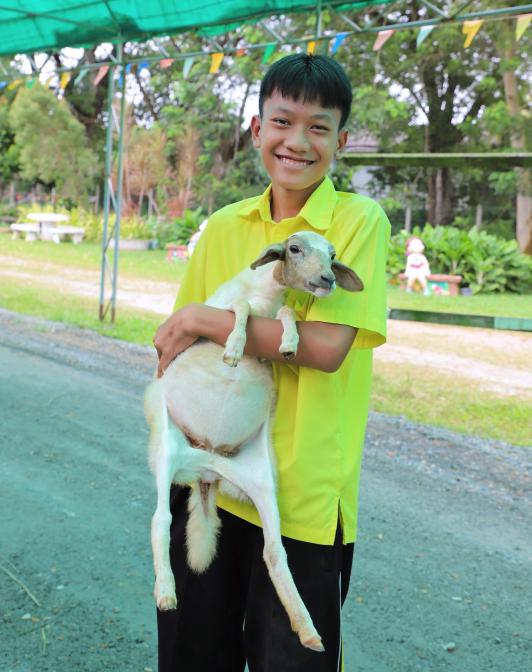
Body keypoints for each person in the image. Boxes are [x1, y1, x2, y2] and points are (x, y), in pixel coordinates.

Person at [153, 53, 390, 672]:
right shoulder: (226, 225)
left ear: (341, 141)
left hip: (301, 496)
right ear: (258, 129)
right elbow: (176, 347)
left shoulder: (357, 221)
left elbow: (326, 349)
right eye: (282, 122)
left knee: (293, 659)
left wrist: (207, 319)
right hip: (209, 471)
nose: (297, 142)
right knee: (191, 655)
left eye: (318, 127)